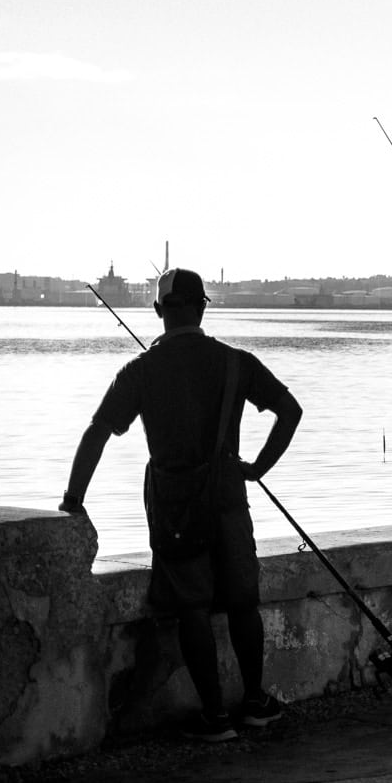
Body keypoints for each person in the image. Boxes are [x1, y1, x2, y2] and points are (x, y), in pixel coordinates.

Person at [59, 268, 303, 741]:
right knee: (242, 604)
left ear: (157, 312)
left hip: (173, 505)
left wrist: (73, 500)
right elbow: (290, 411)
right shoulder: (236, 363)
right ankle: (254, 702)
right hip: (230, 498)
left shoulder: (140, 370)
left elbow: (97, 434)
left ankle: (214, 717)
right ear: (203, 307)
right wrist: (257, 468)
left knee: (192, 608)